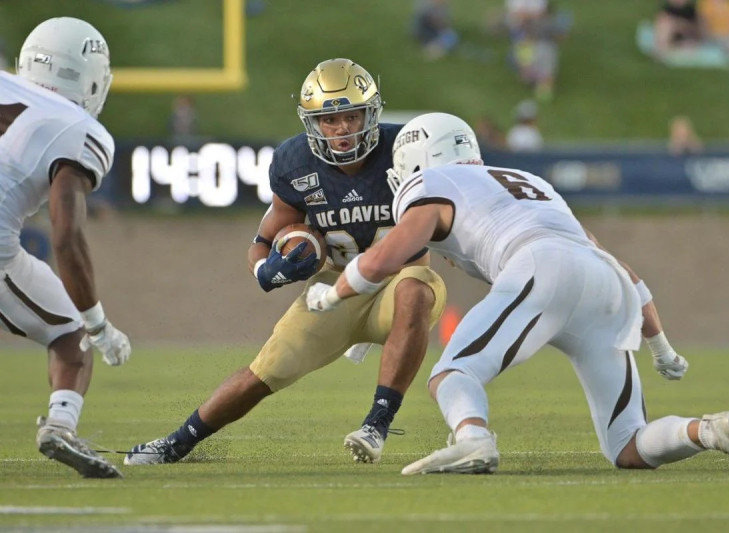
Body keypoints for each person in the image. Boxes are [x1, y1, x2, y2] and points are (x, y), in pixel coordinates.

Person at [306, 112, 729, 475]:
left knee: (452, 372)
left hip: (540, 269)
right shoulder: (532, 183)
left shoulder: (432, 181)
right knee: (627, 445)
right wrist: (661, 347)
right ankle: (707, 431)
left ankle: (474, 438)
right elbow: (624, 272)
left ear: (417, 158)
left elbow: (390, 254)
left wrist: (333, 295)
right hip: (604, 286)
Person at [124, 58, 446, 466]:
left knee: (416, 287)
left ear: (371, 113)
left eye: (351, 116)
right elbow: (262, 240)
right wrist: (268, 270)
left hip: (398, 284)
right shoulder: (295, 164)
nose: (343, 128)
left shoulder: (403, 150)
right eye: (329, 119)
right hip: (335, 291)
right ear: (312, 122)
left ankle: (377, 424)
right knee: (264, 372)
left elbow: (453, 210)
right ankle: (175, 444)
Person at [0, 17, 131, 478]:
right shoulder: (78, 128)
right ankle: (59, 425)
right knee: (71, 338)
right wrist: (99, 324)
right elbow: (67, 236)